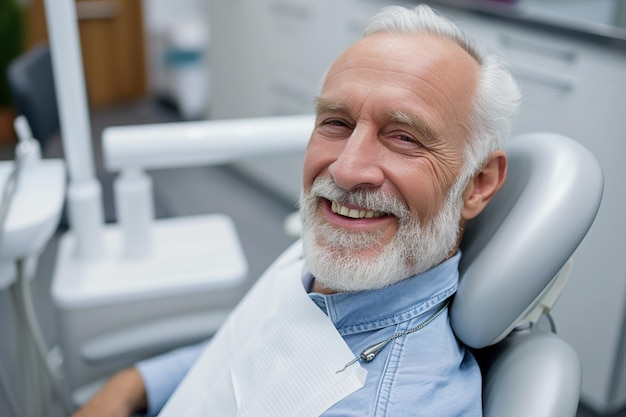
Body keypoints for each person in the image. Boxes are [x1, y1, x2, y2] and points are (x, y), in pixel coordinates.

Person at [72, 4, 520, 416]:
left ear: (477, 184)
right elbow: (251, 344)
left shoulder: (385, 401)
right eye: (336, 123)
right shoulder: (341, 275)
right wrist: (135, 383)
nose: (346, 170)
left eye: (404, 136)